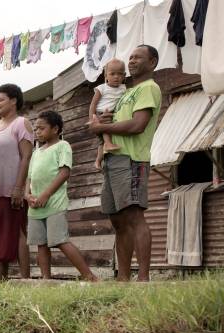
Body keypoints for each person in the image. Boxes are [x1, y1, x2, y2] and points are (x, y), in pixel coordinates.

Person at [88, 45, 162, 282]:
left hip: (131, 159)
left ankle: (143, 278)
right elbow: (112, 121)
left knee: (133, 216)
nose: (131, 61)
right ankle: (123, 278)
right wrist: (102, 125)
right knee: (118, 221)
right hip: (113, 160)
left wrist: (102, 127)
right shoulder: (125, 92)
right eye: (130, 57)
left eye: (138, 58)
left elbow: (137, 125)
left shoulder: (148, 88)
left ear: (152, 62)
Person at [26, 111, 97, 282]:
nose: (37, 132)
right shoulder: (36, 152)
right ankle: (46, 278)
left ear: (55, 129)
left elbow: (64, 172)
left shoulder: (62, 146)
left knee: (60, 240)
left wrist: (46, 194)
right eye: (36, 129)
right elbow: (29, 177)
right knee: (41, 244)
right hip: (35, 206)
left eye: (42, 128)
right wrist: (26, 195)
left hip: (54, 203)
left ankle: (89, 276)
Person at [0, 83, 34, 280]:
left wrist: (18, 188)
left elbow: (26, 157)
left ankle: (25, 279)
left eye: (1, 100)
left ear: (13, 101)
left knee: (17, 232)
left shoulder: (21, 123)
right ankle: (2, 278)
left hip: (11, 188)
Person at [89, 59, 127, 169]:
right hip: (101, 113)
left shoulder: (123, 88)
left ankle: (98, 161)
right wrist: (92, 119)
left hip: (113, 113)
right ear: (106, 75)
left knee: (101, 144)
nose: (116, 77)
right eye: (112, 74)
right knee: (105, 128)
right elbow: (93, 104)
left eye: (120, 74)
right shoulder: (102, 88)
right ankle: (109, 143)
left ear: (124, 76)